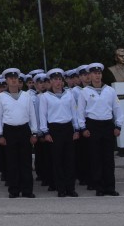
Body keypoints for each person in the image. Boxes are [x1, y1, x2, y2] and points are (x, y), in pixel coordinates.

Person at [77, 62, 123, 196]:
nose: (97, 76)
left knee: (108, 158)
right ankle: (99, 187)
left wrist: (118, 125)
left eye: (99, 73)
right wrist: (83, 128)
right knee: (95, 158)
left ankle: (110, 187)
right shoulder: (85, 92)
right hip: (93, 126)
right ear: (89, 76)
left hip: (108, 125)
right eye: (94, 73)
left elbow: (117, 109)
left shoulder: (110, 90)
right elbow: (80, 112)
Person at [0, 67, 38, 198]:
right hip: (9, 131)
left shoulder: (26, 96)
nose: (13, 81)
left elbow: (32, 115)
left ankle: (27, 190)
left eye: (15, 78)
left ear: (19, 80)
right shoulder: (1, 97)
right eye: (10, 79)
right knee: (12, 162)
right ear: (7, 81)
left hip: (24, 130)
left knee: (25, 162)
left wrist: (34, 133)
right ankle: (14, 190)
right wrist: (0, 135)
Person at [38, 69, 79, 197]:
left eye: (60, 80)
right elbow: (42, 115)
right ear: (50, 82)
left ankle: (70, 188)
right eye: (55, 80)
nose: (58, 82)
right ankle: (61, 188)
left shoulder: (69, 94)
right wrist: (45, 132)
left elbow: (74, 113)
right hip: (54, 129)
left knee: (70, 160)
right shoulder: (45, 97)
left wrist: (76, 129)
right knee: (57, 160)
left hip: (67, 128)